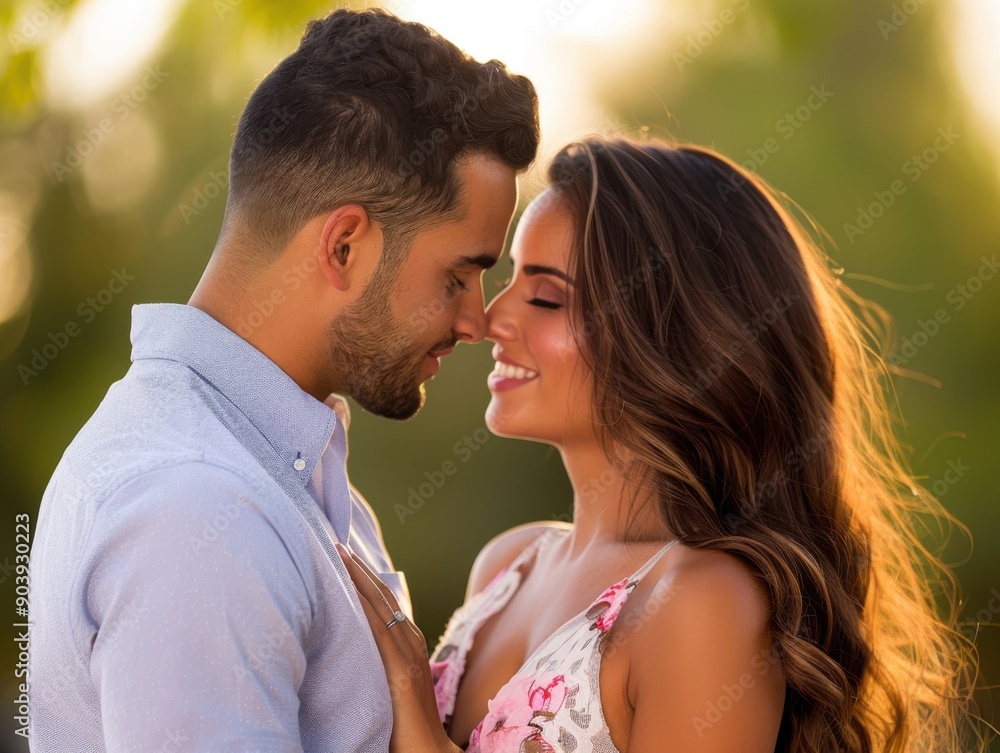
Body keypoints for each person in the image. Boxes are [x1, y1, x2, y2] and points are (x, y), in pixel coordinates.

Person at [342, 137, 983, 753]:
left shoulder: (702, 602)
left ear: (671, 334)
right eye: (510, 281)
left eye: (544, 296)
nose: (489, 319)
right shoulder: (509, 565)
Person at [27, 8, 537, 751]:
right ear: (344, 245)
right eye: (459, 275)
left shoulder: (283, 470)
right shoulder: (196, 507)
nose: (477, 321)